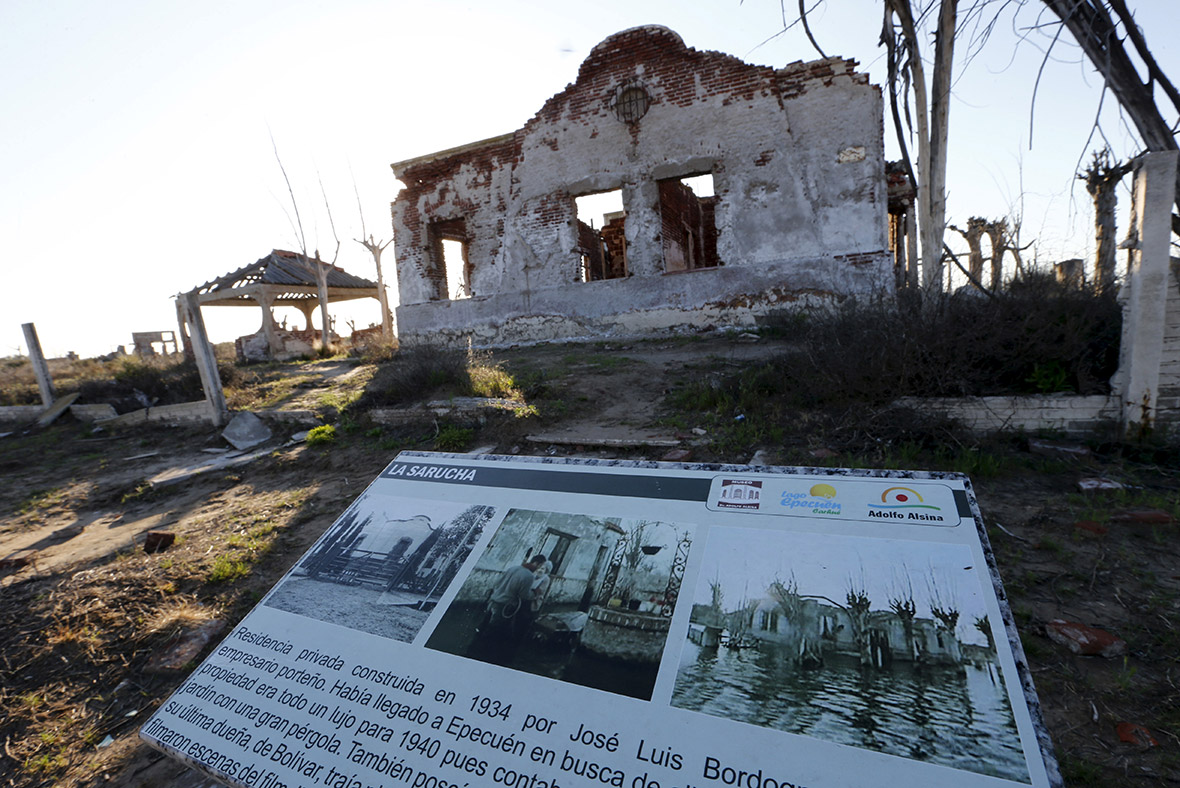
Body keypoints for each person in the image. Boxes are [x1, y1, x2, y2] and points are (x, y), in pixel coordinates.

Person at [473, 553, 547, 664]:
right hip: (504, 605)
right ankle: (481, 657)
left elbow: (497, 583)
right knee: (493, 631)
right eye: (540, 565)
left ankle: (474, 650)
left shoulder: (513, 568)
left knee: (484, 626)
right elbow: (524, 596)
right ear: (538, 563)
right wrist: (535, 594)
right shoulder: (528, 576)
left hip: (494, 600)